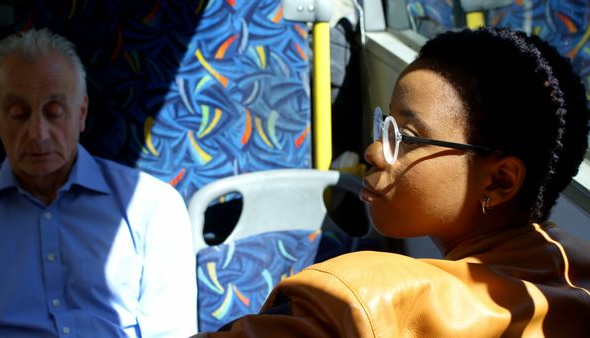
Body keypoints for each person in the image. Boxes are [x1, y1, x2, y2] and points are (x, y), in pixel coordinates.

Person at [192, 26, 590, 337]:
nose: (373, 151)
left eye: (406, 138)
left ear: (500, 182)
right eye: (383, 127)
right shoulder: (573, 278)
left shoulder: (356, 307)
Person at [0, 28, 197, 337]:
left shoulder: (153, 208)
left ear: (81, 113)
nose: (38, 133)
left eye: (54, 113)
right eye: (18, 114)